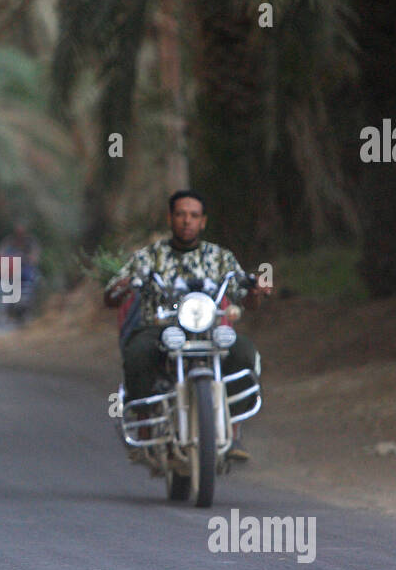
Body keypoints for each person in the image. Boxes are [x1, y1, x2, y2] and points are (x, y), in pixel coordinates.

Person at [103, 190, 271, 456]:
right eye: (180, 215)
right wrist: (121, 289)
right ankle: (145, 424)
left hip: (209, 329)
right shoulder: (150, 257)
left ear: (203, 221)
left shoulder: (220, 257)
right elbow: (112, 296)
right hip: (160, 328)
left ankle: (234, 429)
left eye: (193, 216)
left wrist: (254, 292)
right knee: (137, 353)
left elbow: (245, 296)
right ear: (170, 219)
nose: (186, 221)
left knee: (244, 352)